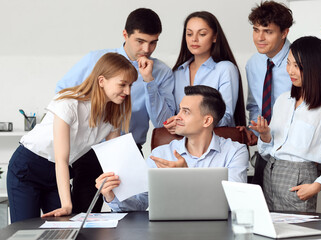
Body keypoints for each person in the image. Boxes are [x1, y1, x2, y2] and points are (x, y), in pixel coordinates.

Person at [55, 8, 175, 213]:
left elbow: (163, 123)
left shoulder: (161, 72)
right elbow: (62, 95)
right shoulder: (96, 60)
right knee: (84, 213)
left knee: (130, 213)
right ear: (125, 35)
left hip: (128, 151)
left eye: (153, 42)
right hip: (89, 149)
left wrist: (148, 81)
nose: (147, 49)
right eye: (140, 41)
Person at [6, 53, 137, 222]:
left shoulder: (112, 117)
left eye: (130, 86)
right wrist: (67, 205)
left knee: (64, 229)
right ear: (101, 81)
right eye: (123, 84)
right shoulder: (68, 104)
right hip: (28, 169)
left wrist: (128, 199)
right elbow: (61, 158)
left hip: (58, 176)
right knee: (26, 230)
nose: (127, 91)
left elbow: (114, 162)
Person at [239, 0, 321, 187]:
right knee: (262, 212)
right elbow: (254, 105)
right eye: (256, 30)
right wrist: (256, 131)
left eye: (268, 31)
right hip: (266, 152)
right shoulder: (254, 64)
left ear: (284, 32)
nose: (260, 37)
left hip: (299, 163)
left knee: (295, 215)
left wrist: (312, 146)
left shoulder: (304, 61)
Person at [95, 85, 249, 212]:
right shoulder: (161, 153)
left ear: (207, 120)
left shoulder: (235, 151)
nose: (177, 117)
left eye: (186, 112)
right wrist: (111, 196)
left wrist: (187, 176)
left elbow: (235, 203)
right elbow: (141, 203)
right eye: (180, 109)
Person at [250, 36, 321, 212]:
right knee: (267, 232)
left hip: (299, 178)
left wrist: (318, 185)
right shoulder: (283, 100)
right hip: (270, 172)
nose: (290, 70)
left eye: (297, 66)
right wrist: (265, 136)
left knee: (297, 234)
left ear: (315, 68)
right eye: (288, 63)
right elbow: (269, 151)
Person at [164, 11, 246, 134]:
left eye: (202, 34)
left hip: (217, 143)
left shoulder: (225, 69)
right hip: (183, 144)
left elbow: (225, 117)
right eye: (189, 34)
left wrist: (186, 123)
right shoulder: (178, 72)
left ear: (214, 37)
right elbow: (172, 115)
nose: (194, 39)